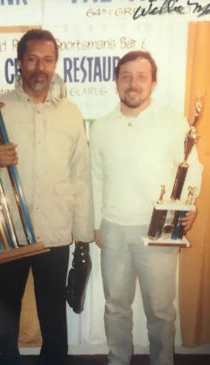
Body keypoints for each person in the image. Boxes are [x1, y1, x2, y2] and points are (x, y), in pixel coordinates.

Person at [0, 29, 93, 365]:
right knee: (7, 309)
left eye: (48, 59)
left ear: (56, 63)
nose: (41, 66)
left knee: (53, 311)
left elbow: (81, 177)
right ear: (20, 62)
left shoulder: (71, 113)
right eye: (32, 58)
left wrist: (83, 237)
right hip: (9, 231)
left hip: (54, 232)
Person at [90, 51, 203, 365]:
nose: (132, 83)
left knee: (161, 311)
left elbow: (191, 167)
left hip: (159, 231)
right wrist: (97, 224)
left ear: (154, 83)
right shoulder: (100, 127)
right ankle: (117, 360)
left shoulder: (173, 122)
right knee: (115, 306)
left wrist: (187, 206)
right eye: (125, 75)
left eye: (141, 76)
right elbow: (96, 177)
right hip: (112, 229)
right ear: (116, 82)